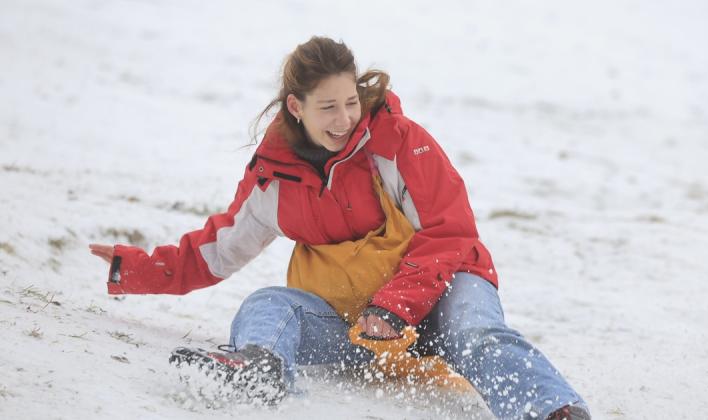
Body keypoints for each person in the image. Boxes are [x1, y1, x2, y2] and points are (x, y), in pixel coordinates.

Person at [89, 36, 590, 420]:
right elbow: (215, 251)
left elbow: (451, 231)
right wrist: (130, 269)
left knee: (475, 332)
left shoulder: (399, 143)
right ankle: (260, 369)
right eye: (327, 107)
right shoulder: (274, 178)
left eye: (350, 102)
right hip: (358, 323)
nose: (344, 118)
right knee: (267, 304)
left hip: (445, 288)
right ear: (295, 108)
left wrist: (394, 307)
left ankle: (550, 410)